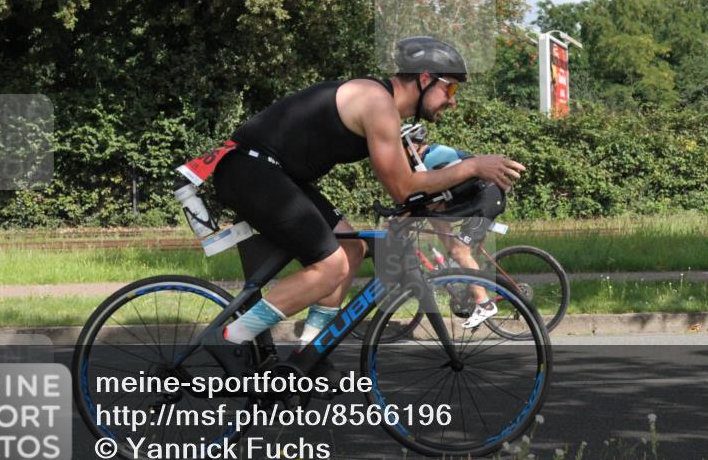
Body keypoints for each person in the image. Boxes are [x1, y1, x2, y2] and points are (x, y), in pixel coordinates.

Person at [207, 36, 526, 376]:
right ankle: (229, 338)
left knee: (352, 249)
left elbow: (407, 186)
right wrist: (473, 166)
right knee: (330, 265)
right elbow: (403, 188)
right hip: (249, 168)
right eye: (450, 91)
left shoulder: (384, 108)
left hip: (276, 172)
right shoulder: (377, 103)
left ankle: (308, 355)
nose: (452, 102)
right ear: (424, 79)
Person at [401, 126, 505, 328]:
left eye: (400, 148)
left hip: (487, 198)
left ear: (413, 146)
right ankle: (463, 279)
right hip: (474, 200)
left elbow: (425, 195)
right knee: (433, 216)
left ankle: (484, 304)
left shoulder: (435, 158)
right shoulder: (425, 161)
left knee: (459, 250)